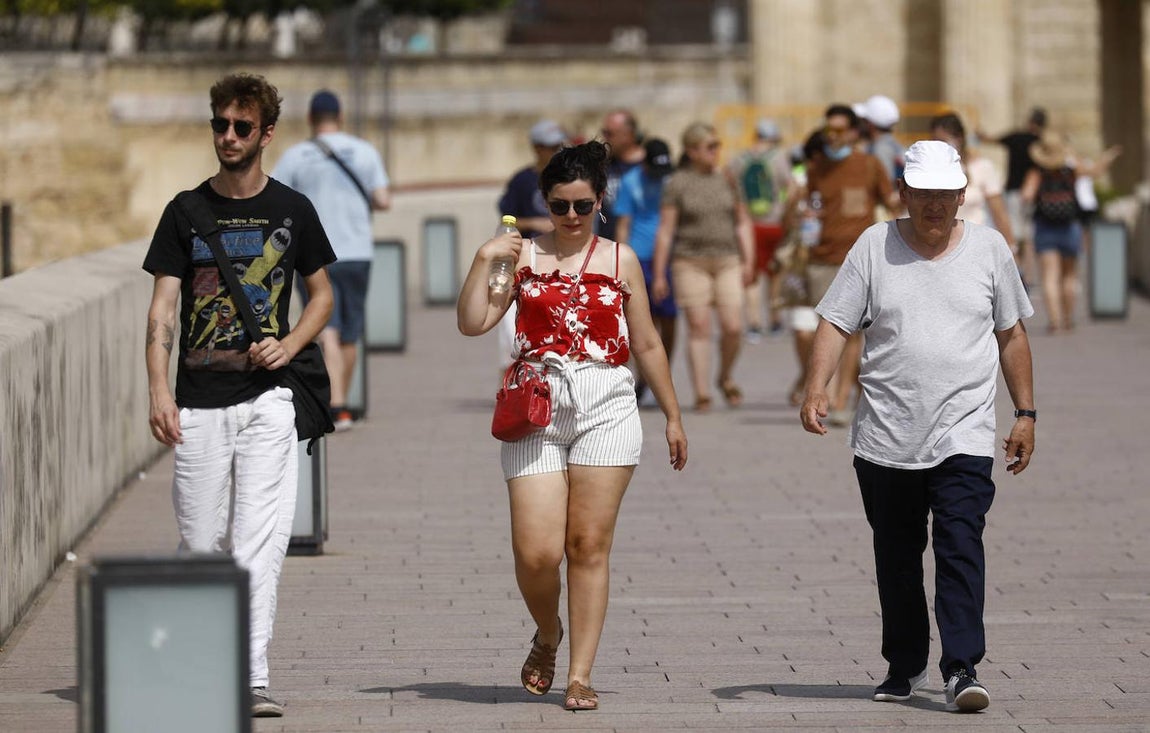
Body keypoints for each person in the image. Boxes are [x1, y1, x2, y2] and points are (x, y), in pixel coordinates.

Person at [800, 140, 1036, 714]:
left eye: (945, 195)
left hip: (965, 430)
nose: (935, 205)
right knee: (897, 556)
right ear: (904, 193)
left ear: (962, 196)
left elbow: (1012, 333)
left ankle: (961, 666)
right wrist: (817, 386)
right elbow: (835, 321)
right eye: (923, 194)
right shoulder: (874, 246)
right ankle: (904, 665)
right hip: (886, 432)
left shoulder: (988, 248)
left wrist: (1025, 413)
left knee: (960, 544)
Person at [457, 140, 688, 712]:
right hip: (536, 401)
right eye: (560, 205)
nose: (571, 217)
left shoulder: (620, 260)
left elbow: (648, 342)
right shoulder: (521, 258)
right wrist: (486, 257)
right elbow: (474, 322)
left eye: (582, 206)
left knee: (587, 544)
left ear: (599, 202)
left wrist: (674, 417)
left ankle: (580, 675)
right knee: (537, 554)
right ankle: (547, 632)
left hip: (607, 400)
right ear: (546, 202)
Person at [143, 72, 336, 718]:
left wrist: (289, 341)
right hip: (196, 401)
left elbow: (323, 295)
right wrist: (155, 390)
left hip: (266, 400)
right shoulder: (184, 212)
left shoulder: (291, 210)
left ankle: (249, 674)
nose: (228, 136)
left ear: (266, 134)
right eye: (220, 125)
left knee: (258, 542)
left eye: (241, 127)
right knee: (200, 540)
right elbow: (162, 311)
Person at [272, 89, 390, 431]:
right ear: (340, 117)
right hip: (357, 253)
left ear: (311, 119)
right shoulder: (365, 151)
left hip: (314, 256)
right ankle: (339, 402)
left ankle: (335, 403)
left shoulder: (297, 155)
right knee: (349, 333)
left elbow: (278, 199)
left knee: (327, 330)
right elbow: (383, 199)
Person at [799, 104, 898, 426]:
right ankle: (829, 391)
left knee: (852, 332)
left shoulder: (869, 165)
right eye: (829, 129)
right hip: (822, 258)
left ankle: (841, 399)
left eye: (840, 129)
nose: (833, 135)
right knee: (825, 330)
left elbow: (891, 202)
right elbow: (808, 204)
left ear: (854, 132)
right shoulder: (817, 167)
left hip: (857, 260)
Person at [652, 122, 755, 412]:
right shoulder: (678, 183)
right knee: (699, 326)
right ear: (692, 151)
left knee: (733, 326)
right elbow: (666, 230)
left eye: (716, 145)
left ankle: (724, 376)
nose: (715, 152)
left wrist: (749, 260)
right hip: (689, 261)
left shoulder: (728, 179)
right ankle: (701, 391)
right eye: (709, 147)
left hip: (727, 260)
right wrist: (660, 273)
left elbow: (743, 221)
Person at [494, 119, 569, 369]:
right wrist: (534, 223)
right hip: (527, 259)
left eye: (560, 145)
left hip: (561, 259)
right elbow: (507, 217)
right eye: (551, 146)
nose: (557, 151)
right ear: (537, 148)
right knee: (513, 330)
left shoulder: (570, 180)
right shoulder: (522, 181)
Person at [614, 137, 678, 403]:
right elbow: (624, 222)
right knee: (643, 320)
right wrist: (620, 259)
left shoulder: (670, 180)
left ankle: (661, 375)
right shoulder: (630, 182)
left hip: (669, 256)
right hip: (639, 257)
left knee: (670, 319)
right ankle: (644, 378)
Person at [729, 118, 793, 340]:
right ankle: (775, 320)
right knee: (775, 273)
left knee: (751, 275)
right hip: (774, 223)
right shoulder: (779, 158)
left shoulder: (739, 159)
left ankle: (754, 324)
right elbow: (791, 187)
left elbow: (730, 186)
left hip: (748, 225)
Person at [1021, 130, 1086, 333]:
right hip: (1069, 225)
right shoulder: (1071, 171)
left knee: (1049, 276)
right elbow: (1093, 172)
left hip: (1045, 225)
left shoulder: (1036, 173)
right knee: (1069, 276)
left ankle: (1055, 322)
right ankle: (1068, 319)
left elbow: (1026, 195)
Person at [980, 107, 1048, 284]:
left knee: (1014, 234)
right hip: (1033, 194)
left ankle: (1019, 271)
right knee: (1027, 236)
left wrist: (979, 133)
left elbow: (989, 139)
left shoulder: (1016, 137)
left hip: (1014, 191)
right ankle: (1025, 272)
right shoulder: (1041, 143)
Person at [930, 112, 1014, 243]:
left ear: (959, 139)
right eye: (933, 142)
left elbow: (999, 213)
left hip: (975, 243)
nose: (938, 147)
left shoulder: (983, 167)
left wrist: (1011, 246)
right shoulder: (927, 172)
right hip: (940, 246)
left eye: (942, 141)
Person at [598, 109, 647, 241]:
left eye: (610, 133)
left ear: (628, 134)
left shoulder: (648, 167)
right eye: (604, 132)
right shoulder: (603, 166)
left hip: (641, 251)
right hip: (607, 247)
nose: (605, 138)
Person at [854, 94, 905, 184]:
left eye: (863, 120)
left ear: (870, 124)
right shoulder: (890, 144)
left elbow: (884, 185)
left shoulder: (881, 149)